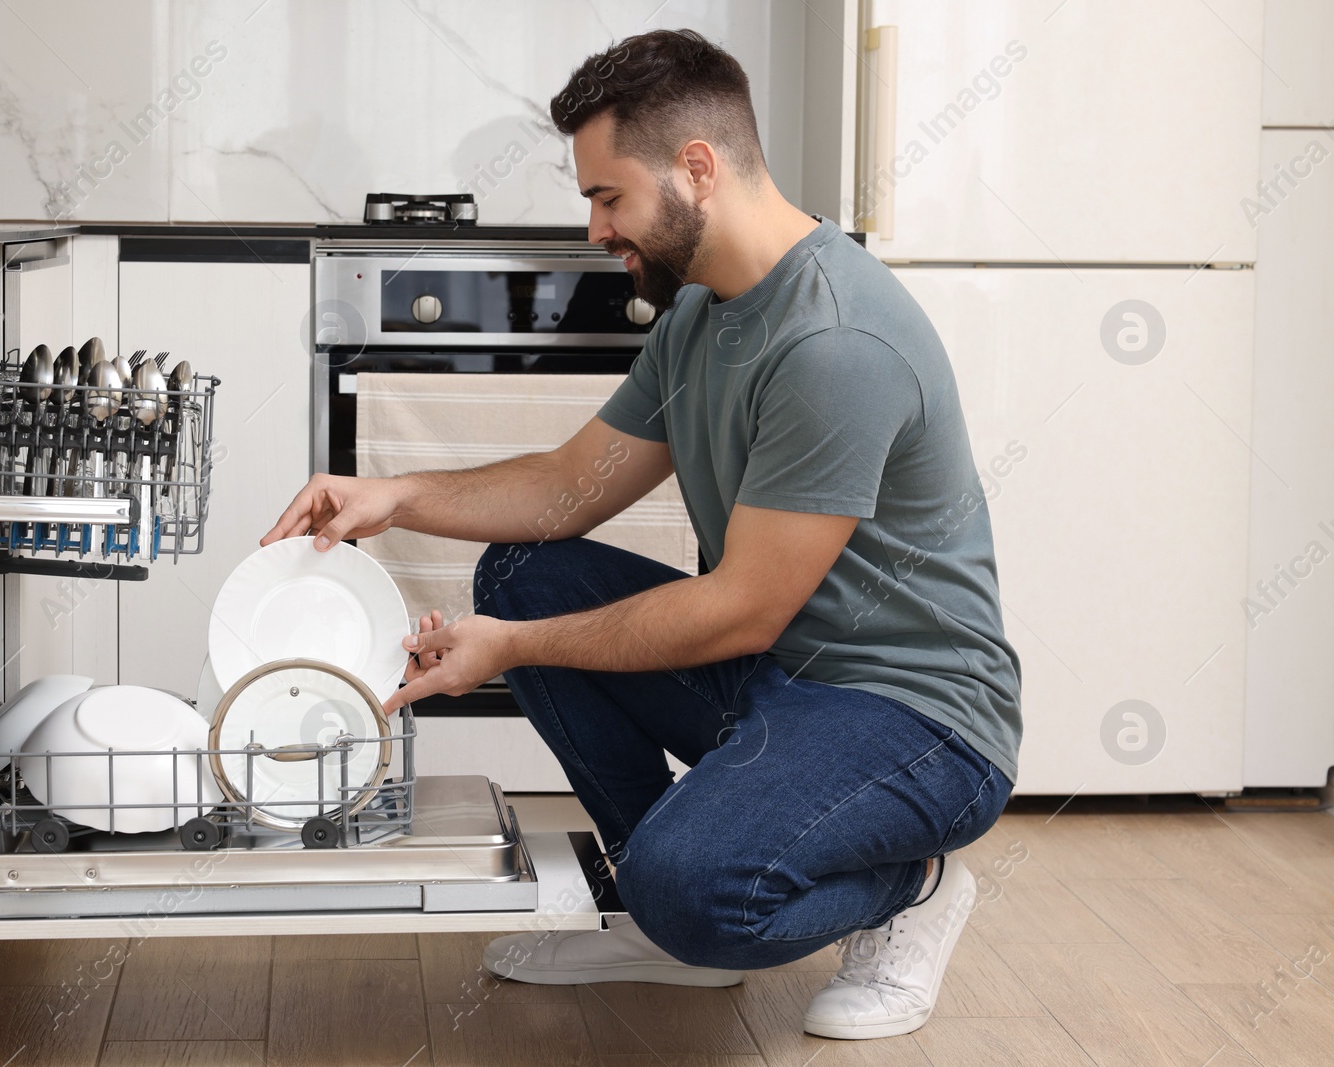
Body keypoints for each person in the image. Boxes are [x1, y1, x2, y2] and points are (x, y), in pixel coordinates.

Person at [261, 27, 1022, 1040]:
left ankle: (909, 885)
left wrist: (511, 649)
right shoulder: (702, 313)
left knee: (697, 888)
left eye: (607, 196)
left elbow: (741, 607)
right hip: (781, 681)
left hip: (912, 717)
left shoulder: (834, 339)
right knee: (525, 572)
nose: (592, 228)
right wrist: (390, 494)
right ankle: (647, 914)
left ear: (695, 170)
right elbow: (571, 487)